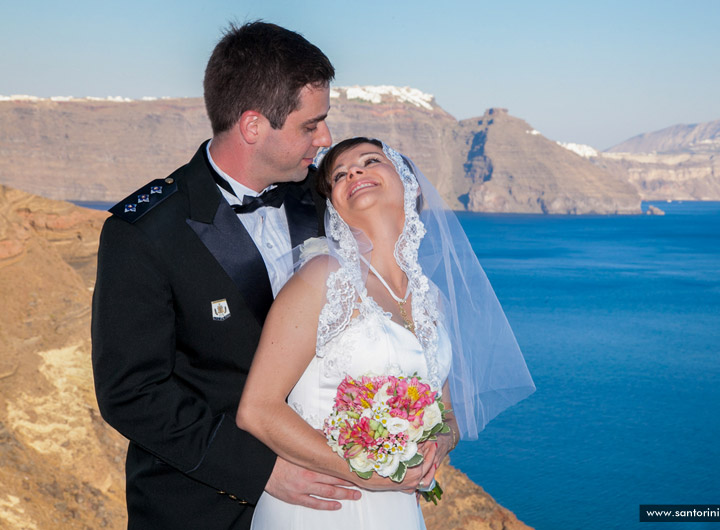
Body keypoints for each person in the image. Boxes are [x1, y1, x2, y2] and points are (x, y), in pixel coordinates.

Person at [92, 22, 365, 529]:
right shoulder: (144, 233)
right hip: (205, 508)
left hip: (332, 505)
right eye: (311, 125)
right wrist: (260, 470)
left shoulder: (329, 203)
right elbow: (131, 392)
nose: (326, 139)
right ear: (253, 126)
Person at [236, 138, 535, 528]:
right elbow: (257, 410)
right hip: (321, 507)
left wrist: (441, 442)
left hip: (397, 508)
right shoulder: (323, 277)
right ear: (335, 207)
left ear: (409, 185)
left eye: (369, 161)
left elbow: (443, 411)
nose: (353, 173)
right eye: (339, 175)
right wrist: (364, 472)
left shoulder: (431, 299)